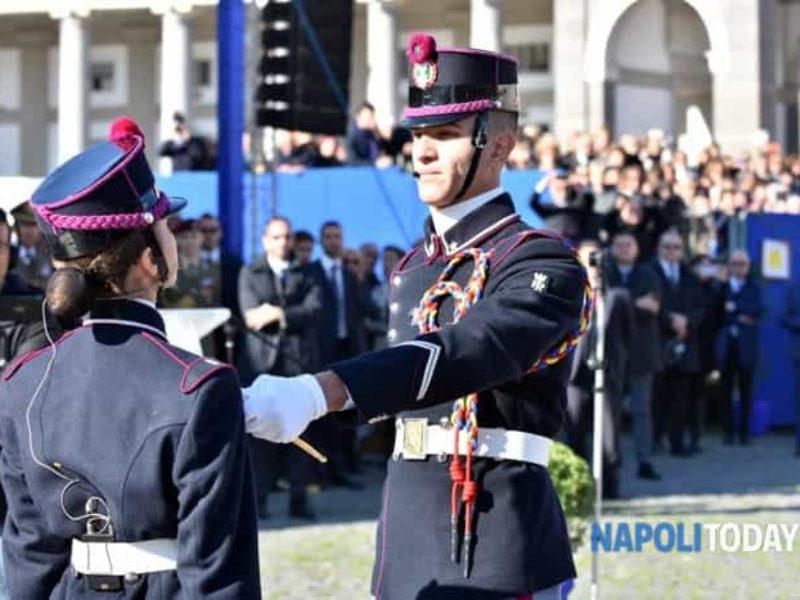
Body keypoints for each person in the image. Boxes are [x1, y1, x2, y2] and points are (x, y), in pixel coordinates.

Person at [244, 34, 590, 600]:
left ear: (499, 147)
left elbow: (466, 352)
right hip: (409, 538)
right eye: (419, 135)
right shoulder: (415, 265)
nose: (422, 152)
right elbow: (403, 396)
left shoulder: (540, 261)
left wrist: (317, 392)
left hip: (494, 534)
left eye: (446, 135)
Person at [0, 117, 260, 598]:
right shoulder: (198, 387)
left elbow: (28, 560)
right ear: (148, 259)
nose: (173, 236)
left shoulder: (20, 382)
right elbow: (220, 573)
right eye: (166, 225)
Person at [238, 216, 322, 519]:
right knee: (259, 435)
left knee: (302, 434)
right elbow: (251, 316)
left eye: (286, 237)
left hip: (299, 363)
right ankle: (258, 499)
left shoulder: (309, 272)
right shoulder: (251, 272)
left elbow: (315, 310)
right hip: (262, 364)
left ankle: (299, 499)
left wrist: (278, 313)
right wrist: (281, 314)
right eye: (276, 237)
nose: (283, 243)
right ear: (265, 240)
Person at [566, 240, 633, 499]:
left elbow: (629, 335)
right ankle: (578, 488)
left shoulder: (618, 297)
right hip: (576, 374)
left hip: (607, 372)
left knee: (608, 436)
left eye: (596, 258)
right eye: (587, 258)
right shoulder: (571, 296)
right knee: (575, 431)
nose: (593, 264)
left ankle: (609, 488)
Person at [607, 231, 663, 480]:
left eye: (629, 244)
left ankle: (644, 461)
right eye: (619, 244)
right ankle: (610, 462)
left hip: (642, 352)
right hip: (611, 351)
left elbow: (653, 306)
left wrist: (619, 300)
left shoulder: (649, 273)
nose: (624, 248)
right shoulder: (605, 272)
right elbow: (601, 302)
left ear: (637, 249)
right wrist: (633, 301)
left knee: (642, 410)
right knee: (611, 410)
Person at [651, 229, 705, 456]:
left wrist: (687, 322)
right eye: (667, 246)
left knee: (681, 397)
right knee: (656, 395)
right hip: (657, 341)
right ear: (659, 248)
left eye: (676, 247)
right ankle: (655, 440)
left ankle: (677, 442)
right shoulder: (649, 271)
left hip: (685, 343)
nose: (672, 251)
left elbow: (701, 307)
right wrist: (670, 319)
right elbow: (647, 302)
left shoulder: (690, 276)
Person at [714, 250, 762, 445]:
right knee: (725, 389)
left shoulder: (754, 288)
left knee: (746, 390)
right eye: (735, 264)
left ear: (748, 267)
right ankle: (728, 432)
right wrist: (740, 314)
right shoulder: (722, 287)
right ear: (730, 266)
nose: (739, 268)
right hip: (727, 345)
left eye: (743, 264)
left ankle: (744, 433)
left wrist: (734, 309)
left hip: (746, 346)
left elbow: (756, 310)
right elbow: (717, 312)